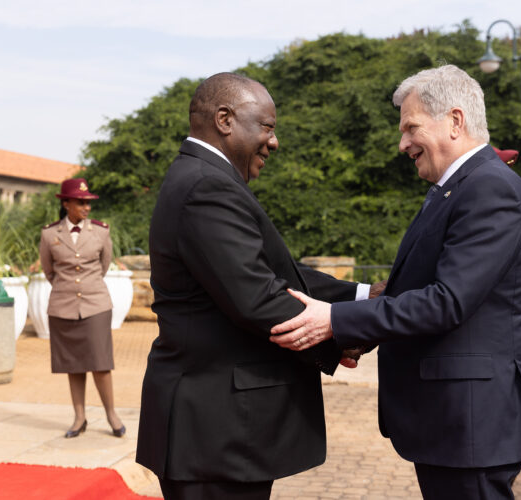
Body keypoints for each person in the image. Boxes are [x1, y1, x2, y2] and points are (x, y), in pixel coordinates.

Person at [270, 65, 521, 499]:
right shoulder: (457, 189)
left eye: (411, 128)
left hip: (469, 424)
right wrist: (361, 330)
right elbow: (414, 290)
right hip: (451, 423)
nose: (403, 144)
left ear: (455, 121)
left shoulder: (491, 190)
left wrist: (336, 321)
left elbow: (447, 302)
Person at [136, 72, 377, 500]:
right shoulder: (207, 185)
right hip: (214, 430)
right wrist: (344, 330)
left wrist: (362, 297)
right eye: (267, 127)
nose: (274, 141)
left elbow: (272, 273)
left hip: (216, 429)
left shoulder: (206, 179)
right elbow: (257, 298)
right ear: (225, 119)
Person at [39, 178, 125, 439]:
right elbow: (49, 271)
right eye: (81, 202)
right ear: (65, 203)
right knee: (73, 364)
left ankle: (111, 414)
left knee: (100, 363)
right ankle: (79, 417)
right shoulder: (49, 234)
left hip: (95, 304)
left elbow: (103, 265)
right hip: (63, 306)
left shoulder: (101, 232)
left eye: (88, 203)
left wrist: (86, 287)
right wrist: (68, 290)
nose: (86, 208)